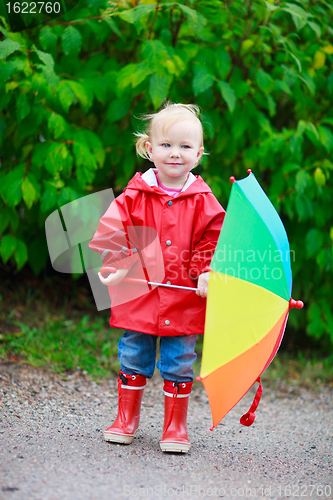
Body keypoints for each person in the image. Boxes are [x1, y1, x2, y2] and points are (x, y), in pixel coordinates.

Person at [89, 102, 225, 453]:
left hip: (184, 297)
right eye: (166, 145)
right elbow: (112, 229)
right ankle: (126, 418)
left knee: (180, 360)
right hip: (140, 293)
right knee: (133, 353)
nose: (175, 154)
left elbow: (213, 238)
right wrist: (118, 260)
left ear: (198, 154)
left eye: (185, 146)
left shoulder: (204, 200)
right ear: (149, 149)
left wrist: (206, 271)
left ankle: (175, 426)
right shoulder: (134, 195)